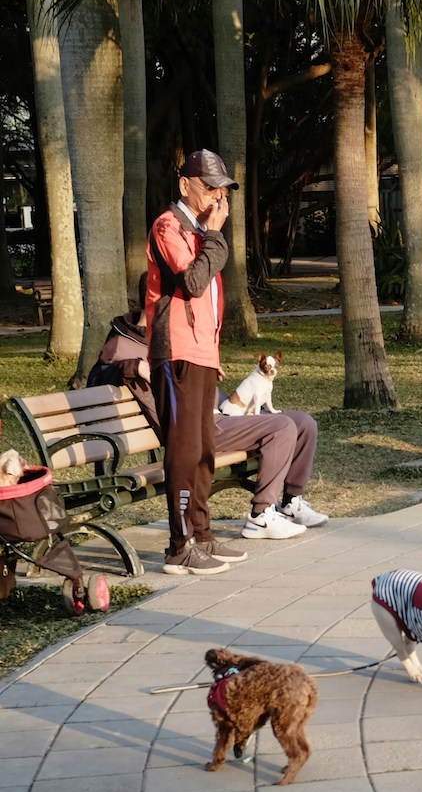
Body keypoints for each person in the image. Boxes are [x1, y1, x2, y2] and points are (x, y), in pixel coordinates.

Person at [89, 275, 328, 542]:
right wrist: (133, 366)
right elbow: (97, 379)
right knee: (281, 427)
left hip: (220, 412)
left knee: (304, 422)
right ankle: (261, 516)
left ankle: (292, 502)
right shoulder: (122, 343)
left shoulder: (173, 332)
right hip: (195, 428)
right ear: (156, 298)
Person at [146, 150, 240, 574]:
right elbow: (194, 281)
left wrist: (213, 355)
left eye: (222, 189)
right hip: (176, 352)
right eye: (209, 187)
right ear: (185, 185)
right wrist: (215, 235)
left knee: (204, 448)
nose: (217, 197)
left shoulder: (202, 233)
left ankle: (201, 534)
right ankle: (179, 545)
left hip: (201, 354)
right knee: (184, 450)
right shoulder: (169, 226)